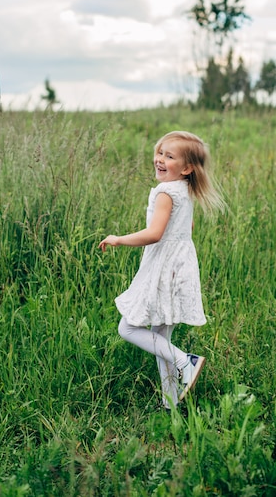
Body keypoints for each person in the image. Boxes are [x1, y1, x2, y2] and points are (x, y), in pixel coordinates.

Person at [99, 130, 224, 410]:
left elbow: (155, 234)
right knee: (160, 338)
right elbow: (186, 227)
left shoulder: (166, 192)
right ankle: (170, 404)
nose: (160, 159)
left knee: (127, 328)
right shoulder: (185, 191)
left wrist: (119, 239)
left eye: (169, 156)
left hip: (163, 268)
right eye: (160, 152)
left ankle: (186, 361)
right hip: (180, 266)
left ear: (187, 167)